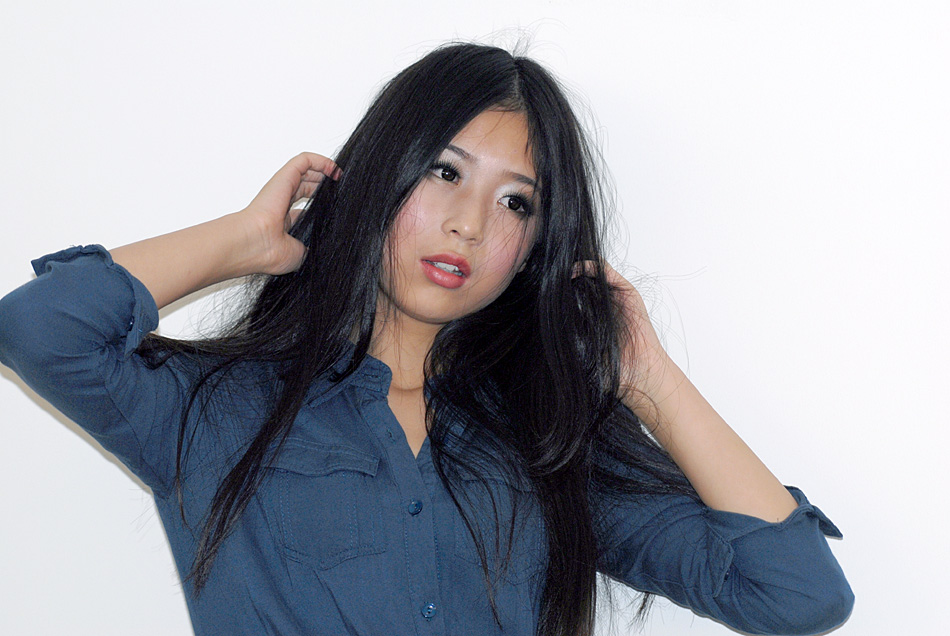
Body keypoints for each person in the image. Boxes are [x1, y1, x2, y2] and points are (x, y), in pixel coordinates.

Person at [0, 42, 852, 636]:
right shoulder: (217, 411)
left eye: (515, 202)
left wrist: (647, 379)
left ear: (535, 248)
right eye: (445, 172)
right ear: (380, 174)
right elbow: (38, 328)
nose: (470, 224)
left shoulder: (551, 442)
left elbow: (797, 595)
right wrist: (247, 241)